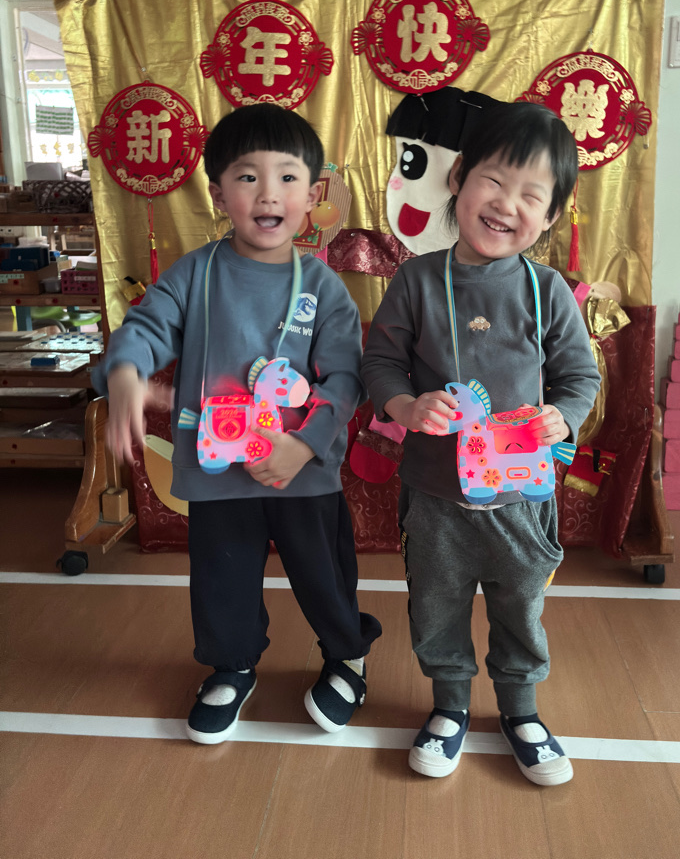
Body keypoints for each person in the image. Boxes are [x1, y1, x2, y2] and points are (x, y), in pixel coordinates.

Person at [93, 103, 381, 745]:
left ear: (314, 194)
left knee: (324, 574)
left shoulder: (325, 289)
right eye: (248, 177)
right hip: (218, 468)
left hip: (301, 471)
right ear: (219, 193)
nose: (268, 193)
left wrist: (304, 445)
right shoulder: (194, 274)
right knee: (222, 576)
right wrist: (125, 371)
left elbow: (345, 380)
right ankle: (232, 664)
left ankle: (347, 656)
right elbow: (146, 328)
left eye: (287, 177)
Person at [361, 101, 600, 785]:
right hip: (435, 494)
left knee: (520, 605)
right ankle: (449, 707)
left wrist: (562, 416)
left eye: (531, 195)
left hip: (522, 498)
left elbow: (579, 376)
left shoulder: (546, 290)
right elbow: (380, 364)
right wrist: (407, 405)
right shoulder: (416, 279)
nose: (506, 204)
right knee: (436, 604)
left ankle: (522, 711)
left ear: (551, 216)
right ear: (460, 178)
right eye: (493, 180)